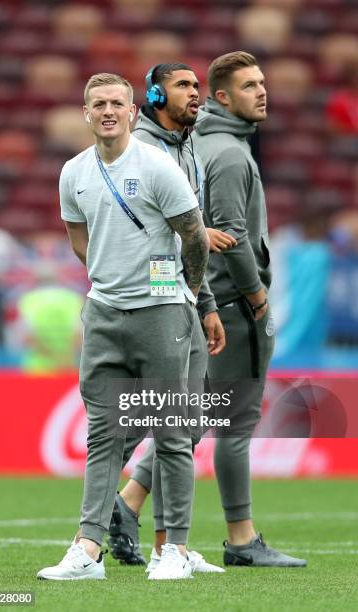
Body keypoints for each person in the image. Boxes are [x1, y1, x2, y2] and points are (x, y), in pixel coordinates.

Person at [37, 72, 210, 581]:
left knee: (172, 432)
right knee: (102, 435)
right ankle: (87, 551)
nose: (108, 110)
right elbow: (78, 238)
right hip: (105, 313)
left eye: (117, 102)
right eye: (98, 104)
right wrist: (110, 279)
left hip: (161, 312)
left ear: (133, 113)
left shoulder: (157, 167)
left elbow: (194, 237)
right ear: (86, 114)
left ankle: (173, 549)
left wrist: (188, 294)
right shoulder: (73, 173)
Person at [107, 63, 231, 572]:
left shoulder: (188, 150)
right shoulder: (143, 151)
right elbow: (160, 231)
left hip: (183, 290)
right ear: (155, 94)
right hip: (151, 294)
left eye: (198, 87)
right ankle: (107, 526)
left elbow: (189, 234)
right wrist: (197, 235)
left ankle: (150, 529)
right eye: (184, 86)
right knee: (167, 418)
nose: (195, 95)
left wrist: (204, 304)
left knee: (186, 418)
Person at [192, 51, 307, 567]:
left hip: (208, 299)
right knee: (235, 425)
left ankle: (126, 504)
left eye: (263, 82)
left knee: (198, 414)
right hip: (235, 304)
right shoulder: (233, 154)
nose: (262, 91)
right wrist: (257, 295)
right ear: (222, 97)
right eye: (248, 85)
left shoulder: (200, 142)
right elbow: (232, 236)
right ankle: (241, 540)